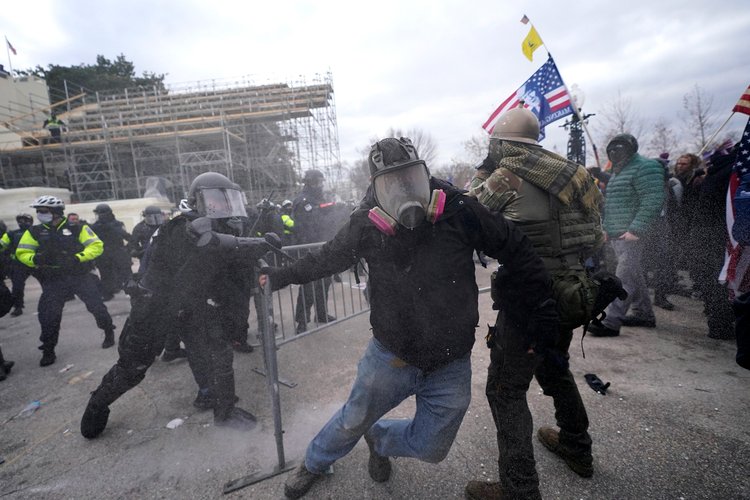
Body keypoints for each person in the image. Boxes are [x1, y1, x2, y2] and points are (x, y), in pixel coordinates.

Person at [259, 137, 555, 499]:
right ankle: (314, 463)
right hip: (390, 355)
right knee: (352, 419)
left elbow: (517, 246)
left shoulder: (461, 211)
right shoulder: (365, 225)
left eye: (410, 178)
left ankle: (379, 438)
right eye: (391, 183)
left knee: (433, 447)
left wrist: (538, 305)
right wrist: (277, 277)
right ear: (375, 189)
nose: (404, 190)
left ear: (425, 175)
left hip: (450, 362)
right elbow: (323, 261)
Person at [465, 106, 604, 499]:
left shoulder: (507, 175)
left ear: (502, 144)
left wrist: (481, 171)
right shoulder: (576, 174)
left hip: (530, 297)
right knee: (555, 367)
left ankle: (519, 490)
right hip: (575, 292)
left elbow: (469, 216)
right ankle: (578, 449)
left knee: (505, 390)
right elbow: (597, 237)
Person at [80, 172, 276, 439]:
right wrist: (250, 244)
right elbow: (210, 246)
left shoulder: (220, 227)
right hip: (156, 308)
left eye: (228, 199)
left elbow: (229, 259)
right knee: (132, 368)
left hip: (191, 306)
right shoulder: (181, 228)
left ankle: (223, 410)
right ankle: (97, 405)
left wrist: (263, 246)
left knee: (217, 355)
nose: (223, 206)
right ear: (198, 200)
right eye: (216, 199)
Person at [16, 196, 116, 366]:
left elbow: (96, 246)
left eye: (43, 211)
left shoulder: (77, 228)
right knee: (49, 315)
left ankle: (108, 331)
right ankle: (48, 349)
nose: (39, 214)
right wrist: (36, 259)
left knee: (96, 306)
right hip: (54, 279)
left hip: (80, 276)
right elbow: (22, 253)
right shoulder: (34, 232)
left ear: (55, 212)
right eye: (38, 211)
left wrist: (78, 258)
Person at [588, 134, 665, 337]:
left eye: (619, 148)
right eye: (611, 149)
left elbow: (653, 199)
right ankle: (644, 314)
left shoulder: (646, 167)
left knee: (623, 279)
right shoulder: (617, 172)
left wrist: (636, 229)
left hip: (632, 234)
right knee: (634, 275)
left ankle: (611, 322)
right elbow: (612, 204)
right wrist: (606, 228)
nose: (614, 152)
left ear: (630, 149)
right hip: (618, 234)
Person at [292, 169, 337, 333]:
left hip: (322, 246)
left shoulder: (319, 199)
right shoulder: (302, 200)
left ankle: (322, 313)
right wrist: (323, 212)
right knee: (308, 285)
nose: (320, 185)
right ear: (309, 182)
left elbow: (325, 223)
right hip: (308, 247)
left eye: (321, 182)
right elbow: (306, 226)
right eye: (317, 182)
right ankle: (302, 320)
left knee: (324, 282)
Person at [91, 204, 133, 301]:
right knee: (106, 274)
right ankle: (108, 293)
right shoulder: (95, 226)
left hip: (117, 251)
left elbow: (127, 236)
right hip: (104, 254)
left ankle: (131, 291)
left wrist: (128, 248)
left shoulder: (117, 224)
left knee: (126, 273)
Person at [0, 214, 35, 317]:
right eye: (20, 221)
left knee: (51, 282)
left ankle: (64, 296)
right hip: (19, 265)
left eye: (25, 220)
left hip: (36, 262)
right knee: (17, 286)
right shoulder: (12, 234)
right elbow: (2, 244)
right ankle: (18, 307)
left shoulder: (38, 231)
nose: (22, 223)